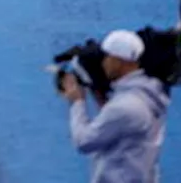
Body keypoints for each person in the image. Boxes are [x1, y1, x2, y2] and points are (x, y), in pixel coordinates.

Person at [60, 30, 171, 182]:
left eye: (106, 56)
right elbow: (117, 124)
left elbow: (84, 142)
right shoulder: (150, 92)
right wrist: (97, 92)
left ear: (119, 61)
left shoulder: (124, 106)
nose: (103, 62)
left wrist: (77, 102)